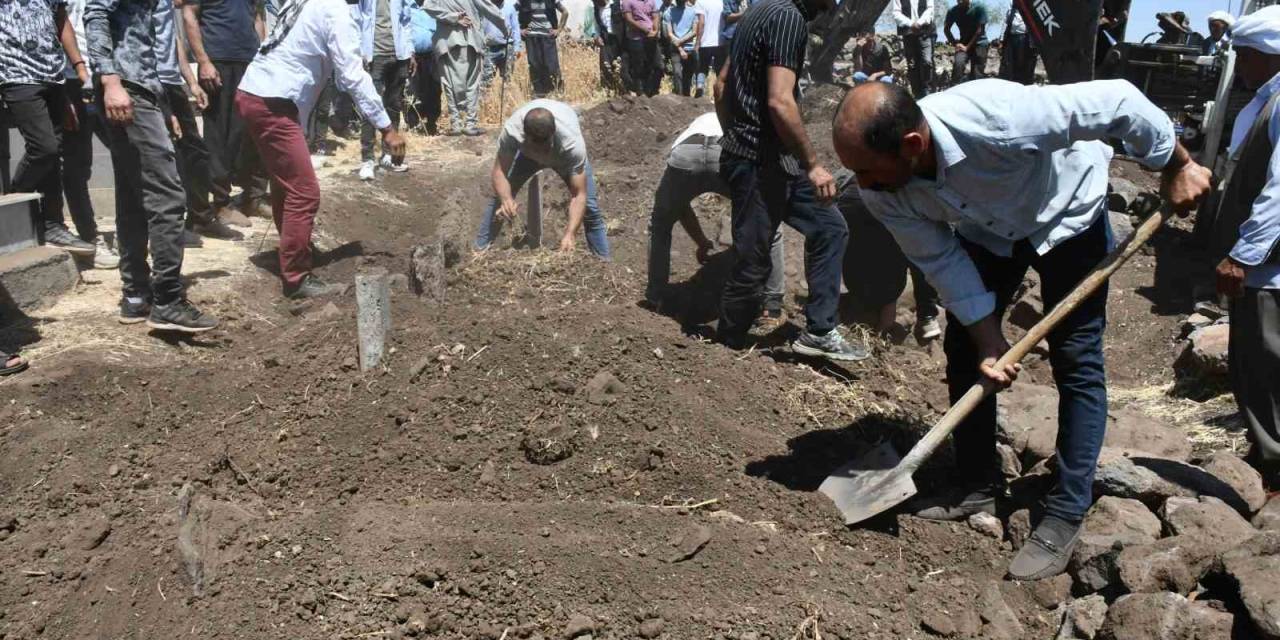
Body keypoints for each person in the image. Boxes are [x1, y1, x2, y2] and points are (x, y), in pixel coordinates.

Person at [831, 81, 1211, 579]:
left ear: (912, 146)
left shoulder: (1000, 119)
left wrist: (1177, 164)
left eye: (866, 169)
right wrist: (988, 336)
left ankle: (1067, 508)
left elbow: (1118, 101)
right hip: (988, 232)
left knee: (1075, 358)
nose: (860, 182)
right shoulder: (882, 189)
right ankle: (976, 484)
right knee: (965, 348)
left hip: (1068, 212)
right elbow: (939, 258)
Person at [714, 0, 865, 362]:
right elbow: (780, 102)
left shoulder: (759, 11)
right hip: (758, 164)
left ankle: (820, 331)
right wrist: (813, 165)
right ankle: (724, 352)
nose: (833, 6)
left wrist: (733, 135)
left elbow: (721, 85)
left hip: (775, 159)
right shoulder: (788, 19)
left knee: (829, 227)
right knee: (752, 263)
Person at [237, 0, 406, 299]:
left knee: (286, 185)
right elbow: (352, 75)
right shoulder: (335, 10)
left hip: (258, 92)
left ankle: (294, 249)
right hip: (273, 101)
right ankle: (296, 278)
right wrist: (386, 128)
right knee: (304, 191)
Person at [86, 0, 221, 333]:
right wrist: (111, 82)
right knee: (169, 197)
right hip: (128, 89)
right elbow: (96, 13)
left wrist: (163, 106)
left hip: (141, 90)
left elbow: (145, 43)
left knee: (133, 199)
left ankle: (136, 295)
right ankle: (168, 301)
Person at [1207, 7, 1280, 484]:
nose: (1241, 66)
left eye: (1247, 56)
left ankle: (1275, 467)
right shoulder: (1265, 101)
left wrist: (1243, 255)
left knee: (1265, 362)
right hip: (1261, 268)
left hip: (1268, 270)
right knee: (1253, 360)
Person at [647, 113, 787, 320]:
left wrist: (702, 243)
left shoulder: (695, 123)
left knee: (660, 224)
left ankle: (656, 296)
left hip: (685, 154)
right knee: (770, 225)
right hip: (724, 151)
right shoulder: (741, 117)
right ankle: (772, 305)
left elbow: (680, 207)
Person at [1, 0, 98, 258]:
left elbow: (61, 19)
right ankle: (11, 204)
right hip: (14, 75)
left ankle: (53, 223)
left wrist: (78, 67)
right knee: (44, 147)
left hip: (53, 76)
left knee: (54, 157)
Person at [475, 99, 610, 257]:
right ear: (525, 136)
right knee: (499, 201)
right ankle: (479, 252)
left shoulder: (572, 145)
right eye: (536, 146)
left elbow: (578, 195)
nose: (542, 153)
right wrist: (506, 199)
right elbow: (500, 172)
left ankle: (603, 263)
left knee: (590, 208)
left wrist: (570, 233)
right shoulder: (512, 132)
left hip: (562, 157)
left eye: (545, 146)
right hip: (527, 157)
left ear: (553, 134)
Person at [159, 0, 244, 245]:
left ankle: (200, 218)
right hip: (146, 85)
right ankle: (169, 229)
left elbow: (173, 43)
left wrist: (191, 82)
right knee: (164, 157)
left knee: (196, 151)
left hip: (172, 82)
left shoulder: (162, 7)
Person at [179, 0, 270, 228]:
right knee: (219, 134)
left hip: (249, 60)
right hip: (217, 60)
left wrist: (262, 56)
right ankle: (221, 203)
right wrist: (203, 60)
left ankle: (252, 197)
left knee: (250, 131)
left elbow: (257, 16)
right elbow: (189, 15)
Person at [835, 170, 940, 340]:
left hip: (856, 198)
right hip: (879, 202)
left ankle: (825, 309)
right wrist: (926, 311)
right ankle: (926, 317)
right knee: (919, 251)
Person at [58, 0, 119, 268]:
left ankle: (130, 231)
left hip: (110, 78)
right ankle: (90, 237)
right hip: (72, 81)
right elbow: (54, 30)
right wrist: (61, 90)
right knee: (77, 165)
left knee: (131, 156)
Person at [424, 0, 507, 138]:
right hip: (469, 40)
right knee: (472, 83)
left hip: (445, 43)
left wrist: (452, 17)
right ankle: (470, 124)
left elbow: (428, 6)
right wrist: (505, 28)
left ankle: (455, 124)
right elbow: (489, 9)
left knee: (449, 83)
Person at [357, 0, 415, 179]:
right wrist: (359, 52)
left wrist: (411, 52)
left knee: (393, 105)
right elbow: (357, 19)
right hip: (374, 56)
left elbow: (406, 20)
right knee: (370, 107)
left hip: (399, 55)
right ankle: (367, 159)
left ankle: (388, 155)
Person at [405, 2, 443, 135]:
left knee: (434, 89)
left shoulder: (434, 5)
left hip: (433, 55)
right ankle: (413, 125)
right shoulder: (406, 6)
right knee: (413, 90)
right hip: (412, 57)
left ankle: (432, 124)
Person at [517, 0, 567, 97]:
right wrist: (519, 30)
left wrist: (559, 30)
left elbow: (565, 12)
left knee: (552, 66)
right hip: (532, 37)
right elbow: (510, 11)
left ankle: (557, 93)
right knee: (535, 66)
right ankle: (539, 95)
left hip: (547, 37)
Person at [480, 0, 521, 101]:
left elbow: (515, 27)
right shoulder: (483, 6)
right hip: (489, 49)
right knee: (486, 79)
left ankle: (505, 101)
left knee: (507, 78)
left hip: (508, 47)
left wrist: (517, 47)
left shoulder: (510, 7)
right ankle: (485, 105)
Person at [893, 0, 934, 97]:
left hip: (924, 32)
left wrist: (919, 23)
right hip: (908, 34)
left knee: (927, 61)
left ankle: (927, 89)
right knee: (912, 65)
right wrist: (911, 23)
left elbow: (930, 9)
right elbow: (896, 13)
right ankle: (917, 93)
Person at [944, 0, 988, 84]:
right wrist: (955, 44)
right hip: (963, 43)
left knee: (977, 74)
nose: (960, 1)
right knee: (958, 64)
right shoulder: (953, 11)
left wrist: (967, 47)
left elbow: (980, 30)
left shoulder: (979, 8)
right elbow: (946, 29)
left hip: (980, 42)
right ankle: (955, 90)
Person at [664, 0, 703, 96]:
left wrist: (680, 42)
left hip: (689, 48)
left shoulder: (693, 11)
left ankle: (686, 97)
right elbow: (669, 33)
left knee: (687, 76)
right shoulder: (669, 11)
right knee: (677, 73)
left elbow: (694, 32)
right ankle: (679, 96)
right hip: (675, 49)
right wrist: (680, 48)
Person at [621, 0, 658, 96]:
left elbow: (655, 16)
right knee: (638, 66)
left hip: (651, 38)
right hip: (636, 38)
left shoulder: (651, 1)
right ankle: (640, 92)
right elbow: (629, 19)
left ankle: (651, 92)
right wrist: (645, 30)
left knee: (655, 65)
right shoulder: (627, 2)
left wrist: (655, 30)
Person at [998, 5, 1036, 86]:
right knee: (1010, 62)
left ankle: (1022, 83)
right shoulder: (1010, 10)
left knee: (1022, 62)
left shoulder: (1030, 9)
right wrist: (1001, 40)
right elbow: (1005, 24)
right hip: (1011, 38)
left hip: (1025, 39)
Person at [593, 0, 623, 92]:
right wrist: (596, 36)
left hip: (620, 40)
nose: (595, 2)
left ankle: (623, 90)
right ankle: (608, 91)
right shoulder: (596, 9)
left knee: (622, 66)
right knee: (605, 66)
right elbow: (595, 26)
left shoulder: (618, 4)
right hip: (606, 40)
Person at [694, 0, 721, 97]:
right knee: (720, 70)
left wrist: (697, 42)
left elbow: (701, 22)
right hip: (720, 42)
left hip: (705, 42)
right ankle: (719, 94)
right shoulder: (722, 2)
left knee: (702, 68)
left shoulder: (701, 2)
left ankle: (700, 87)